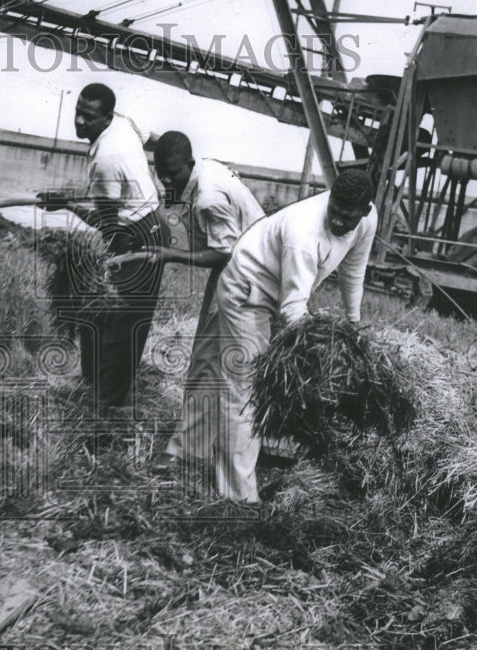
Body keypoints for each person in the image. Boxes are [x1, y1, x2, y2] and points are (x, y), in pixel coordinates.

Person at [211, 168, 378, 502]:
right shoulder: (303, 233)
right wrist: (322, 352)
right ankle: (238, 497)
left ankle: (220, 454)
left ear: (365, 210)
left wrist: (353, 325)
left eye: (349, 217)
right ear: (328, 199)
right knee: (244, 389)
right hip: (248, 289)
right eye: (335, 213)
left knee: (261, 383)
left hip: (279, 291)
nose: (340, 223)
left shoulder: (368, 221)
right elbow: (294, 308)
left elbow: (353, 271)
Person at [124, 131, 264, 480]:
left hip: (248, 271)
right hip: (248, 263)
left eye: (173, 172)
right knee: (220, 360)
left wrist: (170, 255)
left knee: (207, 360)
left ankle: (185, 450)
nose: (166, 179)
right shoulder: (198, 174)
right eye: (161, 172)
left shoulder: (207, 198)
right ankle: (206, 442)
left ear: (188, 164)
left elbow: (224, 253)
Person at [36, 83, 169, 408]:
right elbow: (155, 139)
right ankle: (93, 380)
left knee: (121, 321)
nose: (80, 121)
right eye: (78, 113)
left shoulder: (105, 161)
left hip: (141, 236)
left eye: (89, 117)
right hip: (138, 221)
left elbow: (108, 228)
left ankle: (106, 405)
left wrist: (67, 205)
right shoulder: (124, 122)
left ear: (106, 116)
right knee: (94, 310)